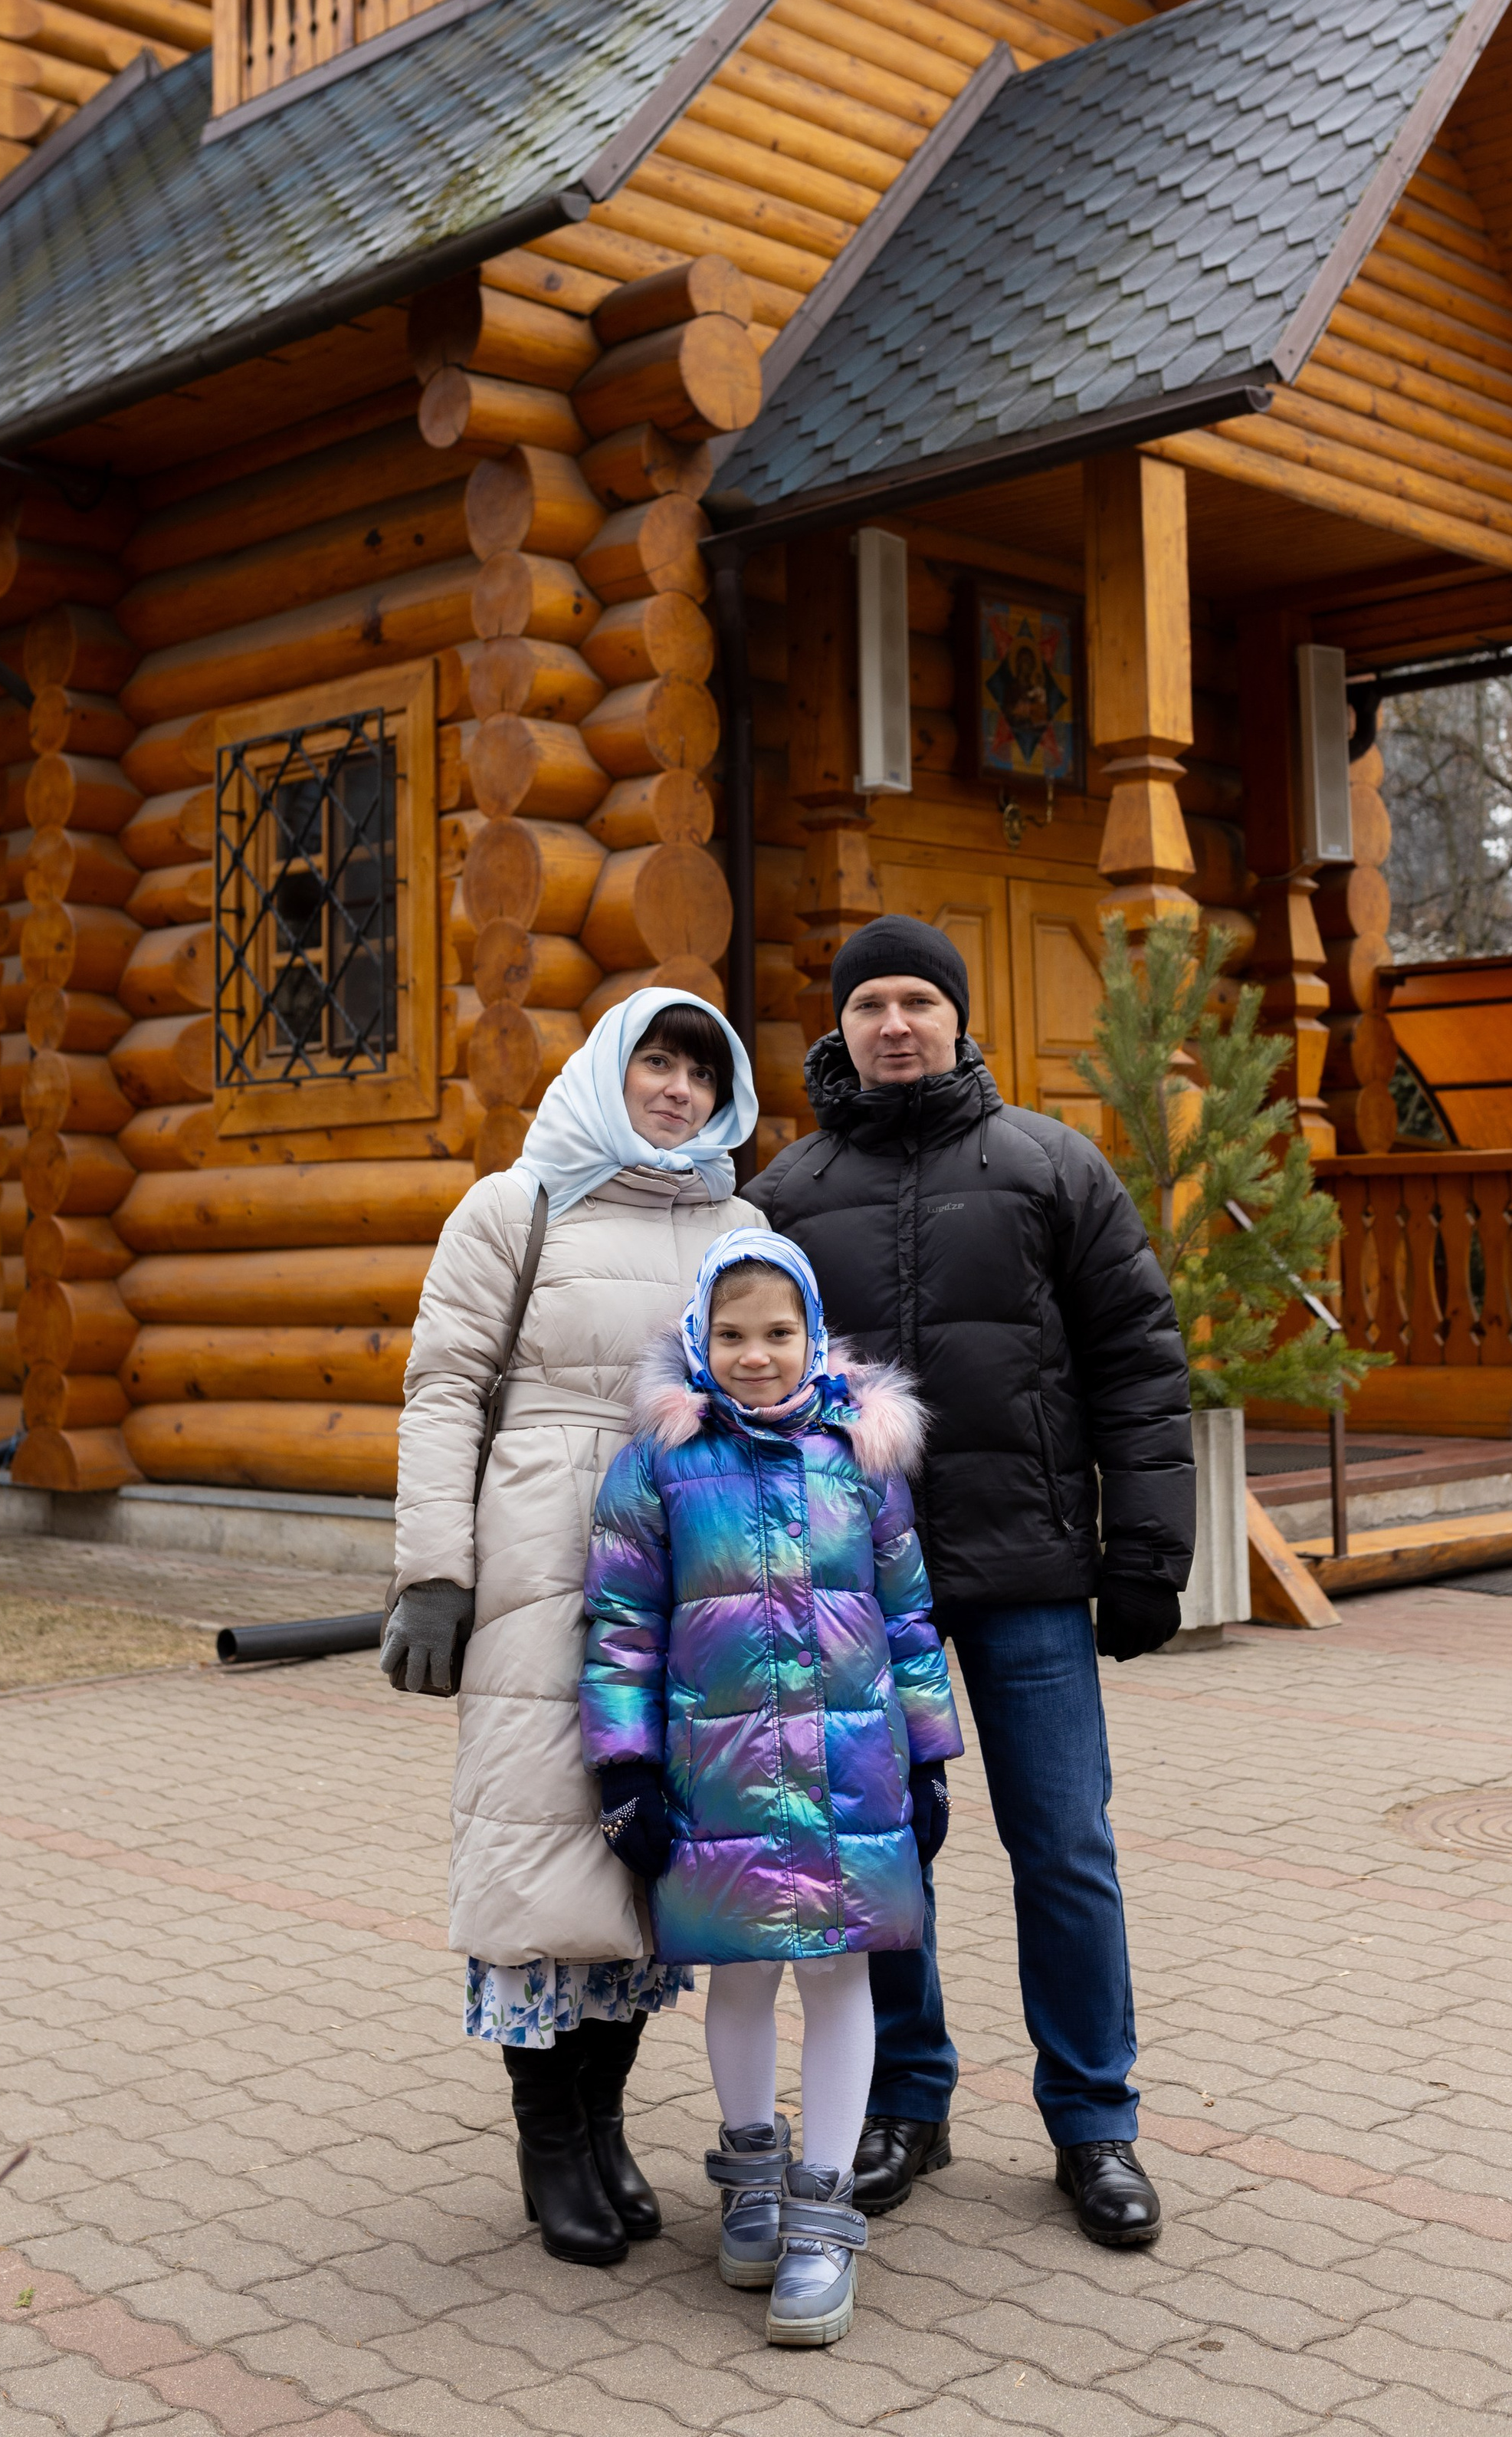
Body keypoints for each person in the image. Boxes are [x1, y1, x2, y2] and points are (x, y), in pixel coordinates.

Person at [746, 915, 1194, 2248]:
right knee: (888, 1857)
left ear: (957, 1018)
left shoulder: (1050, 1165)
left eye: (918, 1002)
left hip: (1033, 1579)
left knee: (1065, 1847)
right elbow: (741, 1385)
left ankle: (1094, 2124)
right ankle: (905, 2101)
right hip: (858, 1597)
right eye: (870, 1004)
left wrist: (1147, 1554)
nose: (896, 1024)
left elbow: (1138, 1360)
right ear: (841, 1029)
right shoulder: (785, 1195)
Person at [385, 987, 760, 2268]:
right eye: (656, 1063)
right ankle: (551, 2138)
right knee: (545, 1842)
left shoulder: (741, 1223)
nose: (676, 1091)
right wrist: (434, 1573)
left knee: (650, 1852)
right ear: (610, 1070)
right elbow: (442, 1390)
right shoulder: (515, 1207)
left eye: (700, 1075)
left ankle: (605, 2125)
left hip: (688, 1568)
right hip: (542, 1559)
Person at [580, 1230, 962, 2348]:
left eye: (778, 1334)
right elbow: (619, 1627)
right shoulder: (657, 1464)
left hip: (852, 1773)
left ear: (812, 1338)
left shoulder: (858, 1457)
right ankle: (751, 2175)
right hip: (719, 1775)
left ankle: (825, 2207)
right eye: (734, 1335)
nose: (757, 1356)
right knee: (741, 1976)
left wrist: (930, 1754)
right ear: (700, 1338)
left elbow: (907, 1617)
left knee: (842, 1976)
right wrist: (626, 1767)